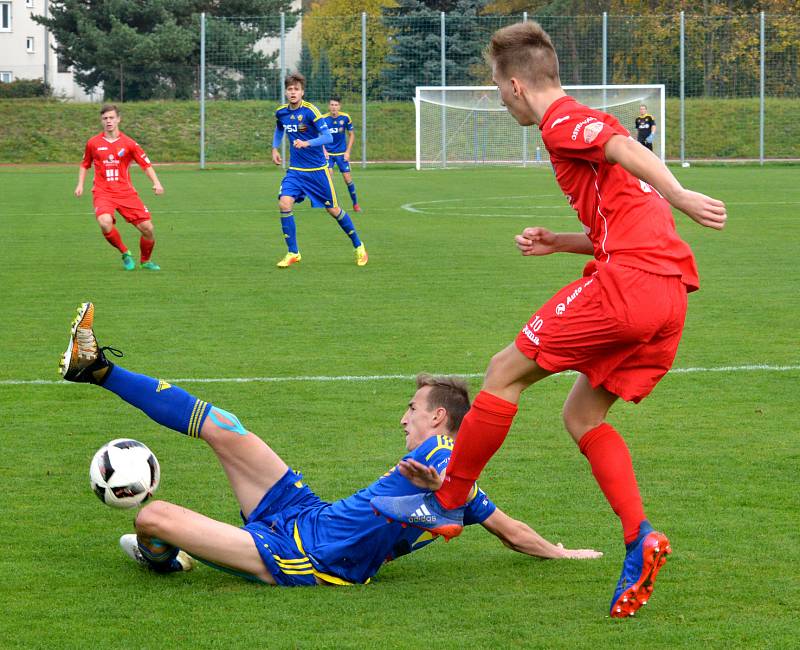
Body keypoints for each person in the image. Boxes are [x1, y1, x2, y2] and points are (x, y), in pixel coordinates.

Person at [371, 21, 727, 618]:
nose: (496, 95)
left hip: (627, 287)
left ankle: (450, 502)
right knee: (582, 414)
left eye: (494, 84)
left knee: (502, 372)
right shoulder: (571, 127)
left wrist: (683, 195)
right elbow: (622, 221)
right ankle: (639, 537)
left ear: (515, 85)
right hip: (668, 294)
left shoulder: (562, 119)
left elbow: (626, 149)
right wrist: (561, 242)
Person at [58, 302, 601, 586]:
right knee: (226, 427)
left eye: (411, 409)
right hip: (305, 512)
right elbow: (507, 529)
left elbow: (504, 528)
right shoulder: (454, 477)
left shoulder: (445, 463)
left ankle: (166, 560)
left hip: (305, 556)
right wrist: (550, 546)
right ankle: (98, 370)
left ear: (438, 417)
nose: (403, 418)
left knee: (154, 519)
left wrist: (563, 553)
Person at [272, 73, 367, 268]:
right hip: (295, 171)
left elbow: (327, 138)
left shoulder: (311, 112)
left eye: (296, 89)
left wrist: (307, 143)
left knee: (333, 209)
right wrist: (275, 147)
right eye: (290, 89)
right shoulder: (281, 112)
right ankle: (293, 252)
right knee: (284, 203)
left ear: (302, 92)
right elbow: (279, 129)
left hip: (317, 171)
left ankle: (359, 246)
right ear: (286, 92)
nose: (293, 92)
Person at [75, 104, 164, 271]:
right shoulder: (93, 143)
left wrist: (156, 182)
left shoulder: (129, 143)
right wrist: (80, 184)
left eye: (111, 118)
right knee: (104, 222)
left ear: (118, 119)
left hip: (125, 192)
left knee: (148, 229)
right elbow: (84, 164)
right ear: (101, 121)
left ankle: (145, 261)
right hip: (103, 192)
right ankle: (125, 252)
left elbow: (145, 164)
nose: (108, 121)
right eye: (105, 118)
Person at [322, 97, 361, 212]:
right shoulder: (323, 119)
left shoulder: (345, 117)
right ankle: (333, 204)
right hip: (328, 154)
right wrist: (323, 151)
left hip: (341, 154)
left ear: (340, 106)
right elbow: (320, 136)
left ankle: (355, 204)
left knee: (347, 179)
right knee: (329, 179)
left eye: (336, 105)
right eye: (332, 105)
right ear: (329, 106)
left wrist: (348, 152)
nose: (334, 107)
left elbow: (352, 135)